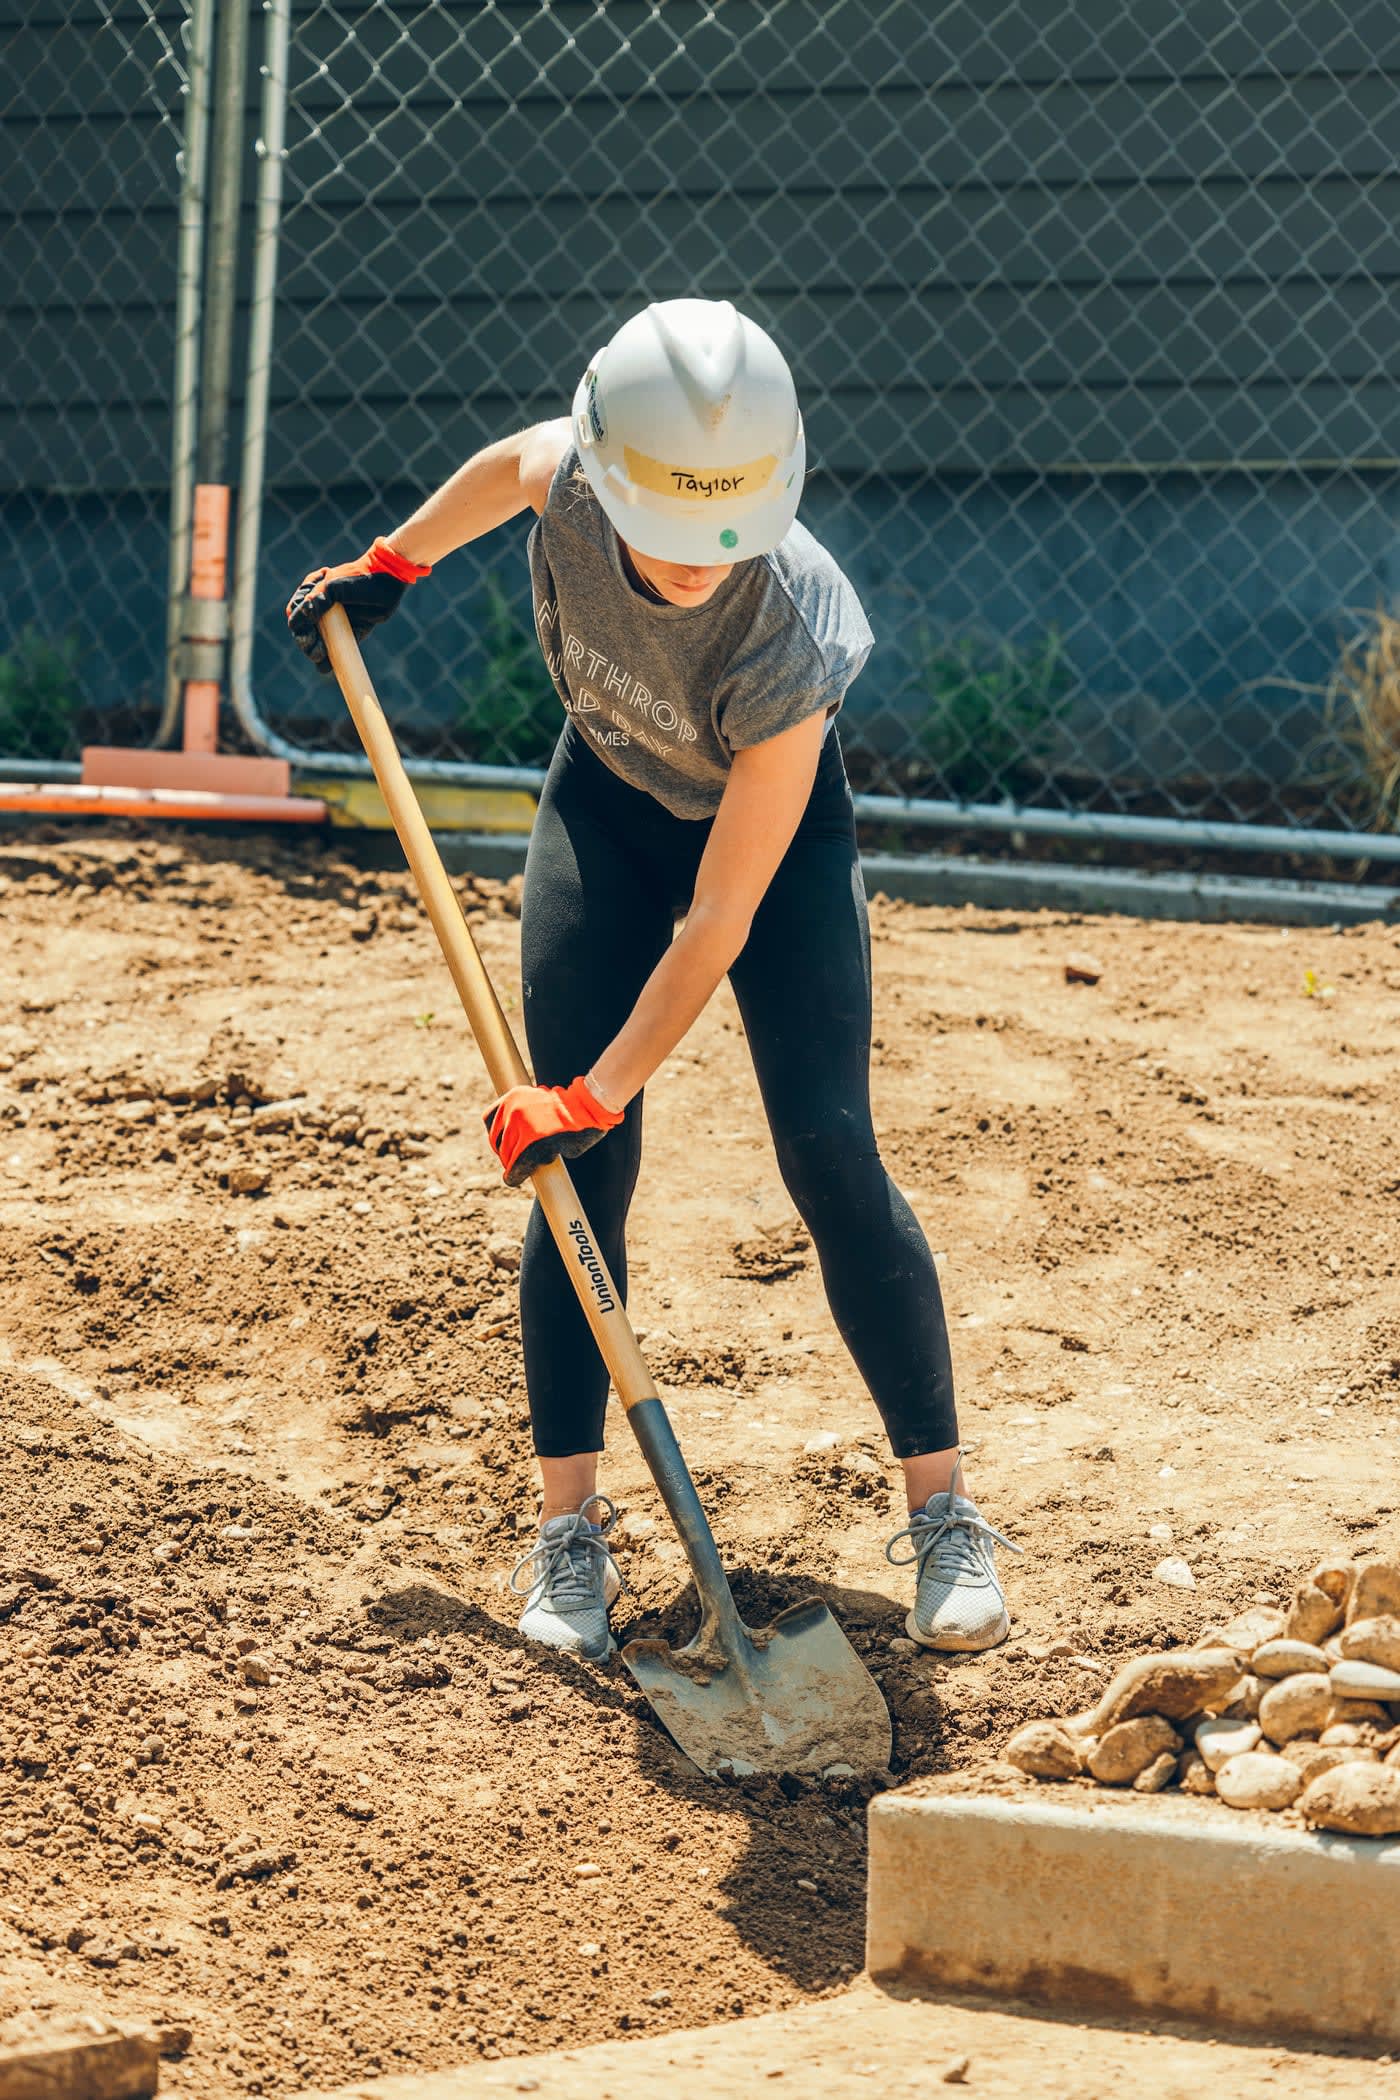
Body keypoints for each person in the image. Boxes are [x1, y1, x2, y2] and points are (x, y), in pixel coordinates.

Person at [288, 298, 1020, 1663]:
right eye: (667, 536)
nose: (692, 567)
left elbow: (721, 921)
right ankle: (571, 1539)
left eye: (719, 540)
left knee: (828, 1149)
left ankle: (945, 1516)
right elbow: (507, 473)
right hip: (607, 806)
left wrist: (601, 1089)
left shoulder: (789, 637)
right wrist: (393, 563)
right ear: (614, 474)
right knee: (577, 1190)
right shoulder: (571, 478)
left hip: (770, 856)